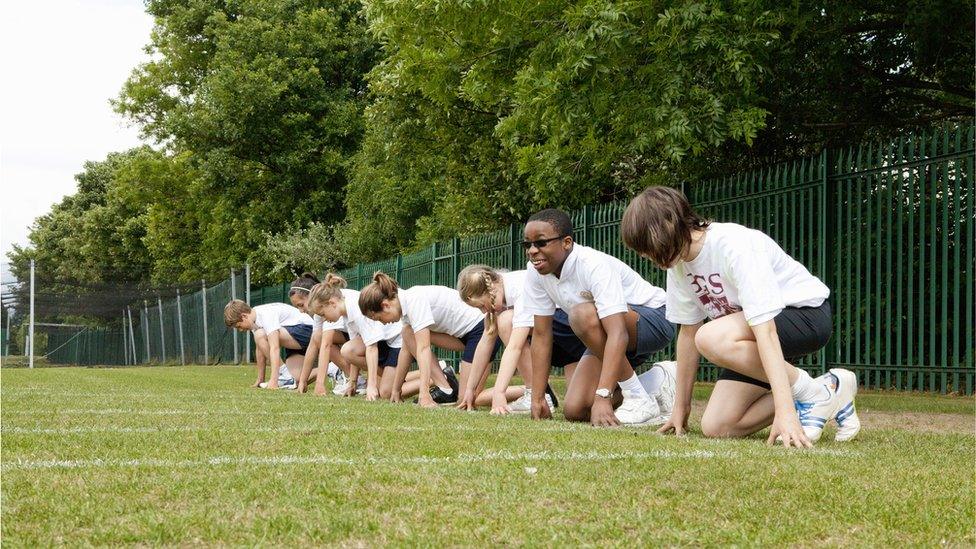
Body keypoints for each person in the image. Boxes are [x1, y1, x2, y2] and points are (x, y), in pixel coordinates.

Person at [620, 185, 860, 447]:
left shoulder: (733, 245)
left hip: (804, 316)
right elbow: (687, 333)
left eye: (648, 247)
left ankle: (805, 397)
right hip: (753, 335)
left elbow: (764, 330)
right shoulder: (678, 264)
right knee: (718, 426)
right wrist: (681, 409)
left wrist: (785, 411)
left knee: (710, 337)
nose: (647, 256)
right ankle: (826, 390)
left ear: (667, 228)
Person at [521, 209, 676, 426]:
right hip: (607, 331)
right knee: (576, 409)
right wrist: (537, 397)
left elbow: (617, 332)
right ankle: (656, 383)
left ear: (566, 242)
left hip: (655, 319)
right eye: (527, 244)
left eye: (541, 243)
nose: (532, 251)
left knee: (581, 315)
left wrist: (604, 396)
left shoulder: (592, 264)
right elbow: (541, 334)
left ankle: (637, 397)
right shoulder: (535, 272)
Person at [359, 272, 496, 408]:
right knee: (407, 332)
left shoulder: (414, 300)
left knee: (469, 400)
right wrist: (396, 390)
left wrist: (424, 394)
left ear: (385, 305)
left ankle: (517, 393)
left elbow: (423, 349)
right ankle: (445, 388)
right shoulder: (405, 307)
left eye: (378, 318)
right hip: (462, 336)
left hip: (481, 330)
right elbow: (406, 351)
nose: (382, 323)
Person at [455, 265, 574, 413]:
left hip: (570, 335)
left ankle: (536, 393)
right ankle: (538, 394)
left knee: (506, 320)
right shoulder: (502, 298)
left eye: (482, 305)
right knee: (574, 408)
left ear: (491, 287)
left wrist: (499, 393)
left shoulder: (520, 288)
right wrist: (470, 389)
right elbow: (484, 344)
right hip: (558, 341)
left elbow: (514, 347)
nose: (484, 311)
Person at [305, 274, 417, 401]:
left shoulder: (355, 309)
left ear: (332, 303)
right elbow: (357, 350)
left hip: (397, 341)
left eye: (323, 314)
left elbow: (371, 348)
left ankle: (436, 378)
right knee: (348, 350)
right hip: (385, 341)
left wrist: (371, 385)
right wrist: (352, 382)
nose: (324, 319)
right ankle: (397, 378)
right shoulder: (346, 314)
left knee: (386, 392)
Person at [223, 299, 314, 390]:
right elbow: (260, 349)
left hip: (307, 331)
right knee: (296, 379)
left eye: (239, 326)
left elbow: (274, 348)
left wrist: (274, 380)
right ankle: (328, 369)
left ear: (244, 316)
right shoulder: (254, 320)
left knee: (260, 335)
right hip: (295, 338)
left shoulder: (266, 314)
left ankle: (285, 375)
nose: (240, 330)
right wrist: (260, 379)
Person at [287, 272, 353, 395]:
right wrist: (303, 381)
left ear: (310, 295)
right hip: (354, 336)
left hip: (368, 338)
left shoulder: (330, 304)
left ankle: (355, 379)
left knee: (321, 338)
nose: (301, 311)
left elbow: (326, 344)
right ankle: (351, 376)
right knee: (317, 337)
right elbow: (313, 345)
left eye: (301, 305)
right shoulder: (320, 311)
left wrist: (320, 384)